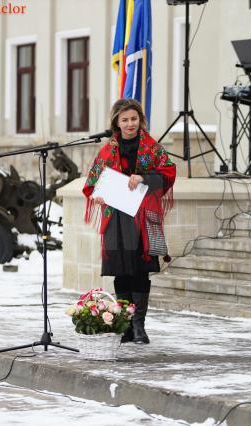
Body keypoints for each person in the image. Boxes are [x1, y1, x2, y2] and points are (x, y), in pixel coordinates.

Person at [82, 99, 176, 345]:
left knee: (140, 271)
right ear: (116, 122)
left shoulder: (152, 147)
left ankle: (139, 327)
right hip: (115, 219)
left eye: (134, 119)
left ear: (140, 120)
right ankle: (124, 325)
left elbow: (168, 173)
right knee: (120, 272)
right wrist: (98, 195)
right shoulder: (107, 150)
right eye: (124, 119)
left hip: (142, 216)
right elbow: (92, 183)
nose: (130, 124)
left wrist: (143, 177)